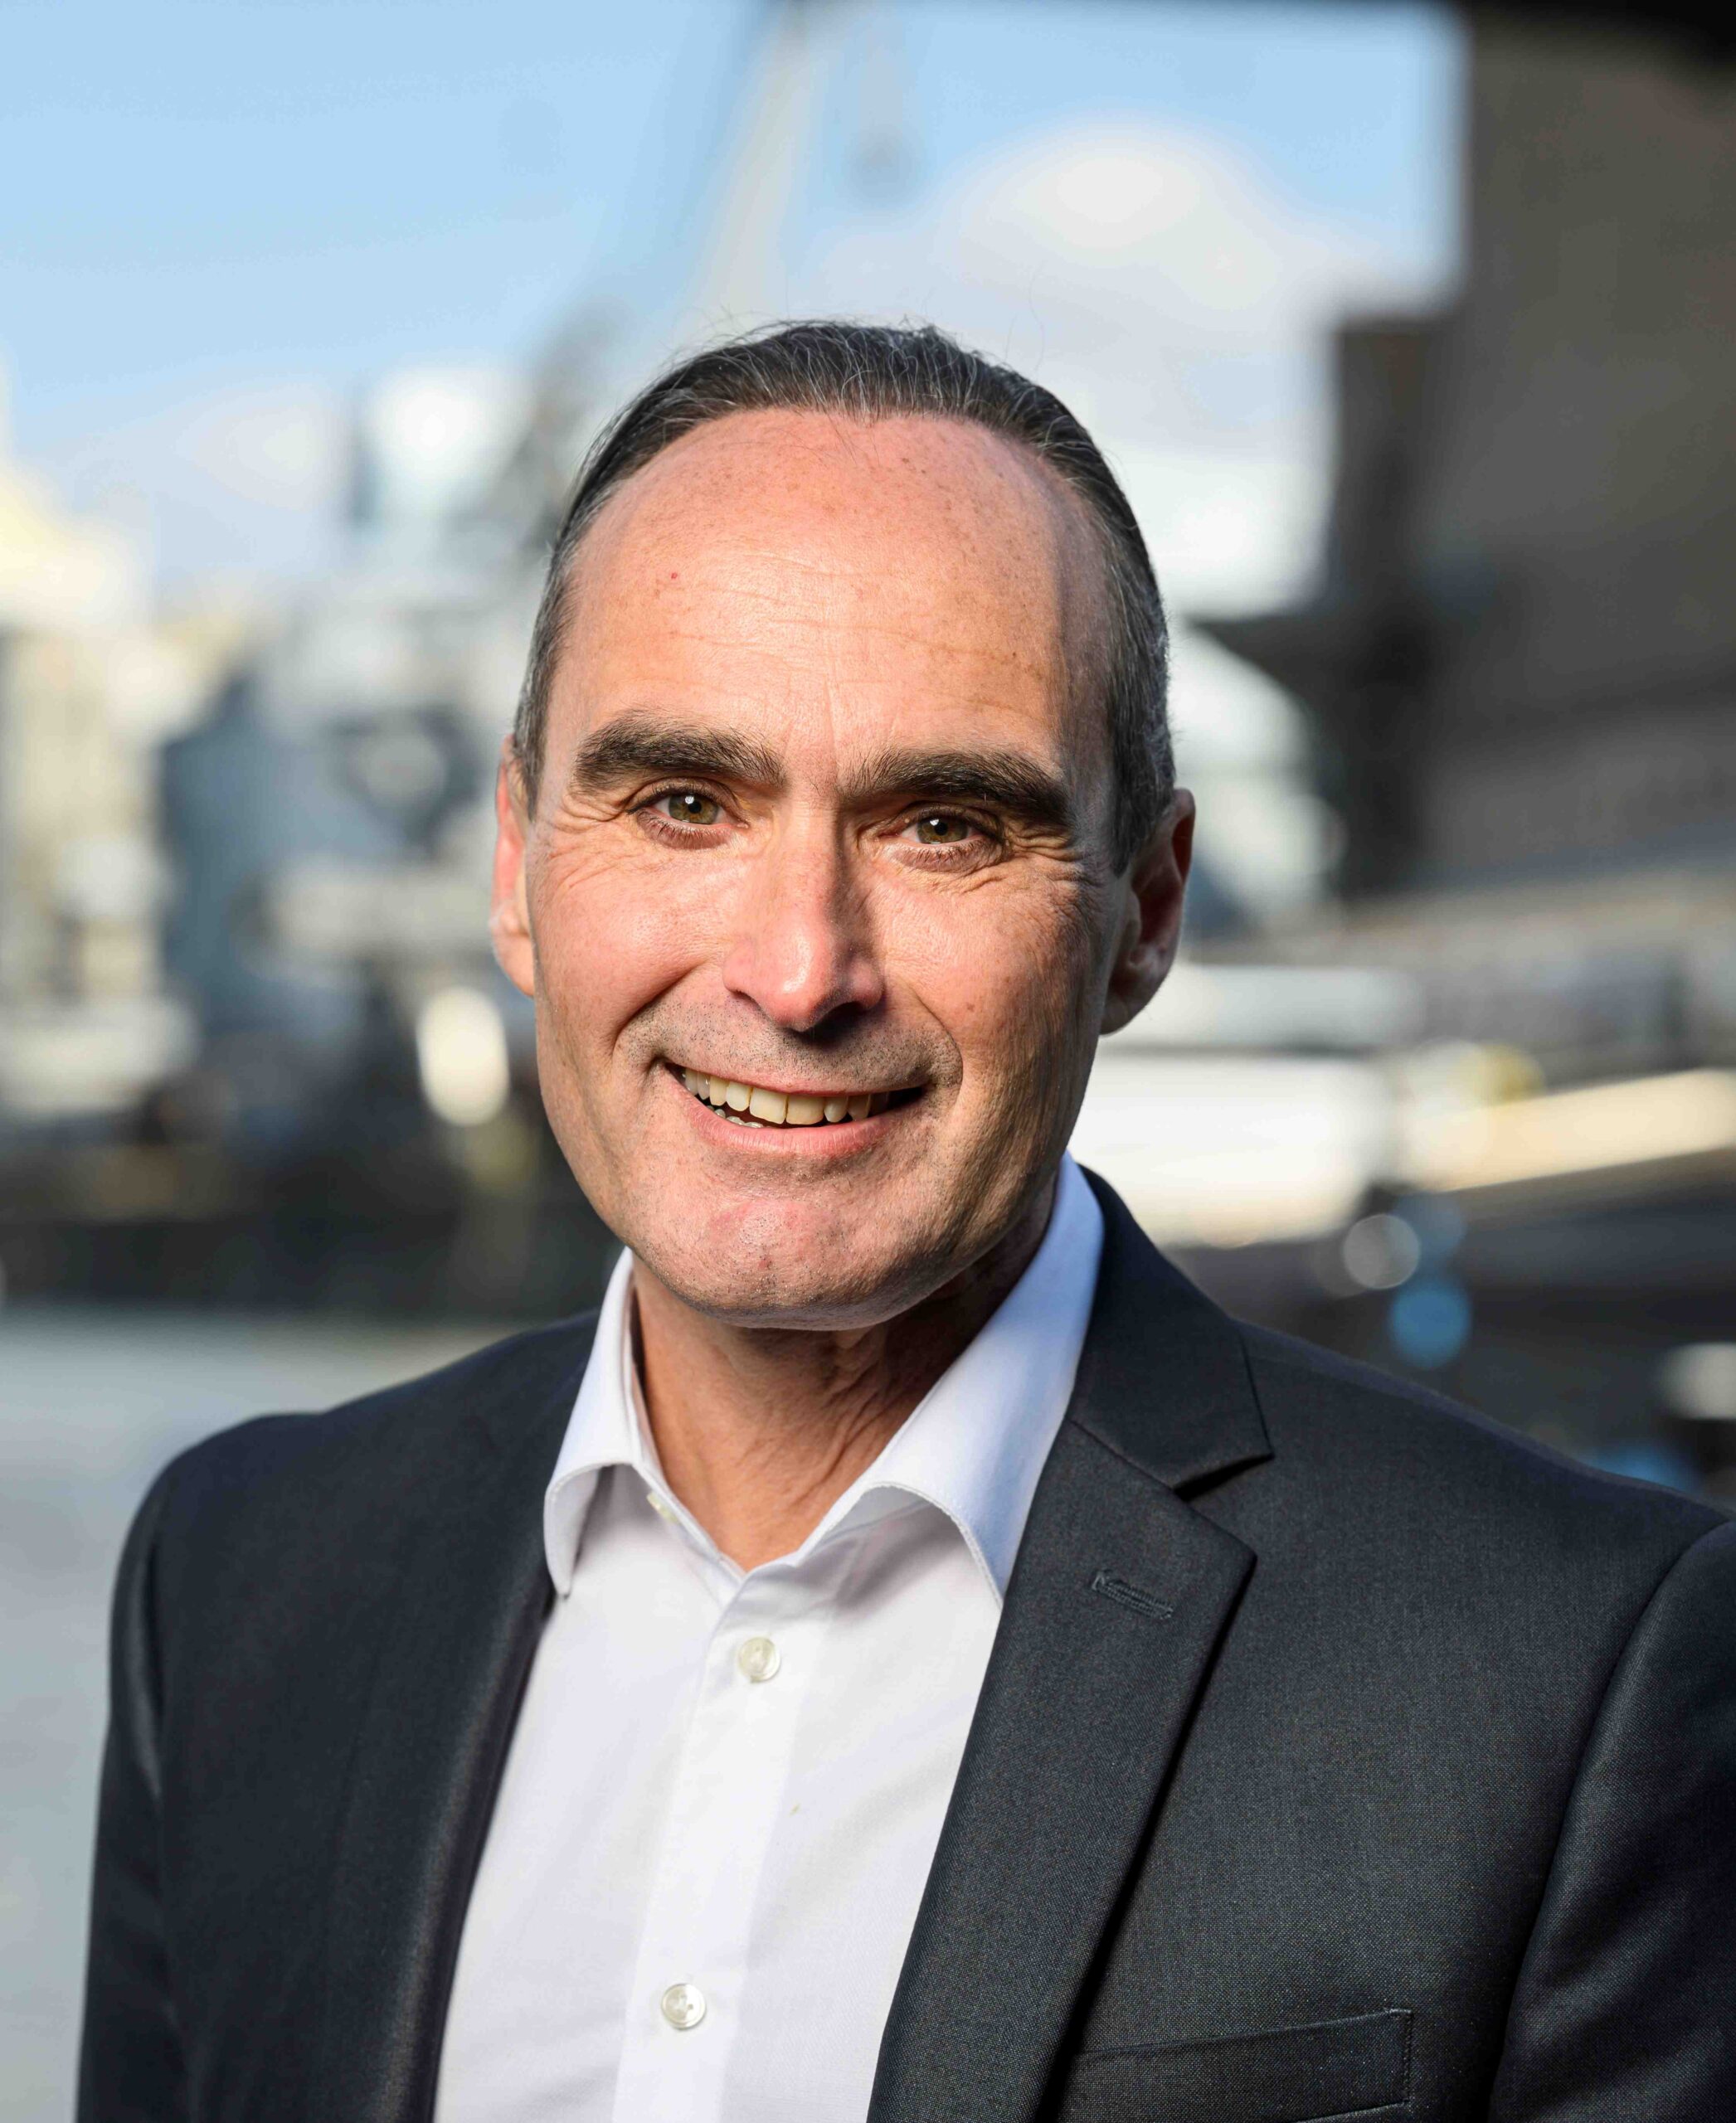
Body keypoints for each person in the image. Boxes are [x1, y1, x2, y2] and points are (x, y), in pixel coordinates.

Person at [79, 321, 1734, 2123]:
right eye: (684, 803)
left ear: (1145, 909)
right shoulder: (234, 1582)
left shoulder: (1572, 1674)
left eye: (944, 825)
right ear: (515, 863)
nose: (800, 972)